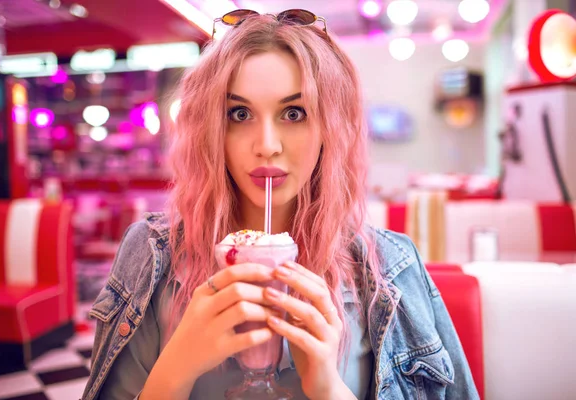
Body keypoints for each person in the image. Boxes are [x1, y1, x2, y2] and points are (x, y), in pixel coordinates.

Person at [82, 9, 479, 400]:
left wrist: (327, 388)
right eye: (239, 114)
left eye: (294, 113)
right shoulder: (153, 256)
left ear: (329, 127)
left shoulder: (391, 268)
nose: (267, 145)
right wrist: (175, 371)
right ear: (210, 130)